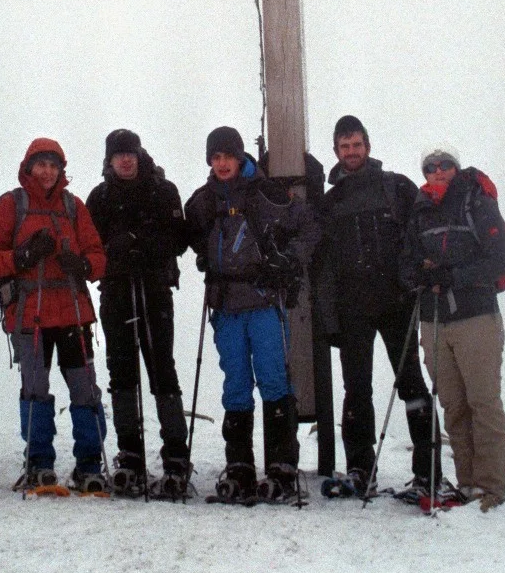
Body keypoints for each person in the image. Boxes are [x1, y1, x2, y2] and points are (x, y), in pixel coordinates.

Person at [185, 125, 319, 503]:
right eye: (216, 157)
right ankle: (240, 467)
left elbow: (308, 227)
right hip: (226, 304)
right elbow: (190, 233)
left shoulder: (267, 193)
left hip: (263, 302)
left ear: (241, 156)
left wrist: (288, 260)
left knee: (275, 381)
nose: (222, 163)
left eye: (228, 155)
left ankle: (281, 467)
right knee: (236, 385)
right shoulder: (202, 201)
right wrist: (205, 256)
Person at [312, 114, 439, 500]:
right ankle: (359, 469)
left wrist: (416, 277)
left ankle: (428, 472)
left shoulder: (396, 188)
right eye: (344, 146)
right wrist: (329, 316)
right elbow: (324, 263)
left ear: (368, 146)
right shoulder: (331, 202)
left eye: (357, 145)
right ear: (336, 151)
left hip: (397, 304)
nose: (351, 152)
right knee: (356, 390)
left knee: (412, 386)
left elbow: (421, 234)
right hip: (352, 310)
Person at [0, 138, 109, 493]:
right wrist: (20, 257)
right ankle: (39, 461)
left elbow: (98, 255)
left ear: (61, 170)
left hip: (71, 312)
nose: (48, 171)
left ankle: (89, 464)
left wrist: (83, 264)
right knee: (35, 388)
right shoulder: (12, 204)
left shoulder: (73, 206)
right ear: (29, 167)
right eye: (42, 164)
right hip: (29, 313)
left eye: (54, 164)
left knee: (84, 390)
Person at [86, 129, 192, 498]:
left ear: (139, 153)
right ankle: (130, 456)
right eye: (118, 155)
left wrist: (141, 244)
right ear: (109, 160)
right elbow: (90, 248)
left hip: (154, 290)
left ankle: (176, 458)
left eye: (129, 153)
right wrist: (114, 251)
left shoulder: (163, 191)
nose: (125, 160)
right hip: (115, 292)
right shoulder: (98, 198)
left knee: (162, 369)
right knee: (122, 371)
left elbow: (180, 239)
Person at [408, 145, 505, 511]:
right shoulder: (420, 210)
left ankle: (490, 490)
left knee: (483, 402)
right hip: (434, 320)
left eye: (445, 165)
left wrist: (451, 275)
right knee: (454, 406)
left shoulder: (476, 201)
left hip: (475, 317)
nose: (438, 171)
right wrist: (420, 274)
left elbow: (501, 256)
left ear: (456, 168)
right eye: (431, 167)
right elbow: (405, 264)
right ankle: (468, 484)